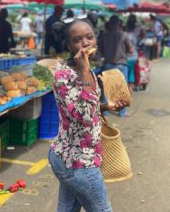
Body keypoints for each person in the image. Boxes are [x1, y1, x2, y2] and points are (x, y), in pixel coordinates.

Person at [48, 15, 128, 212]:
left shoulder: (87, 70)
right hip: (76, 161)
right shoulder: (64, 75)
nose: (85, 43)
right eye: (77, 40)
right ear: (68, 45)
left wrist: (106, 107)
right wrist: (84, 73)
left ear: (96, 39)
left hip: (80, 157)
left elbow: (88, 108)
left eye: (89, 37)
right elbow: (82, 118)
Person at [98, 15, 134, 117]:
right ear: (119, 24)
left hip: (108, 64)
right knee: (122, 90)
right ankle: (122, 112)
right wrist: (124, 51)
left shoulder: (104, 36)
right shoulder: (124, 35)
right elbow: (131, 50)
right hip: (121, 65)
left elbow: (99, 52)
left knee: (107, 89)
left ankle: (105, 111)